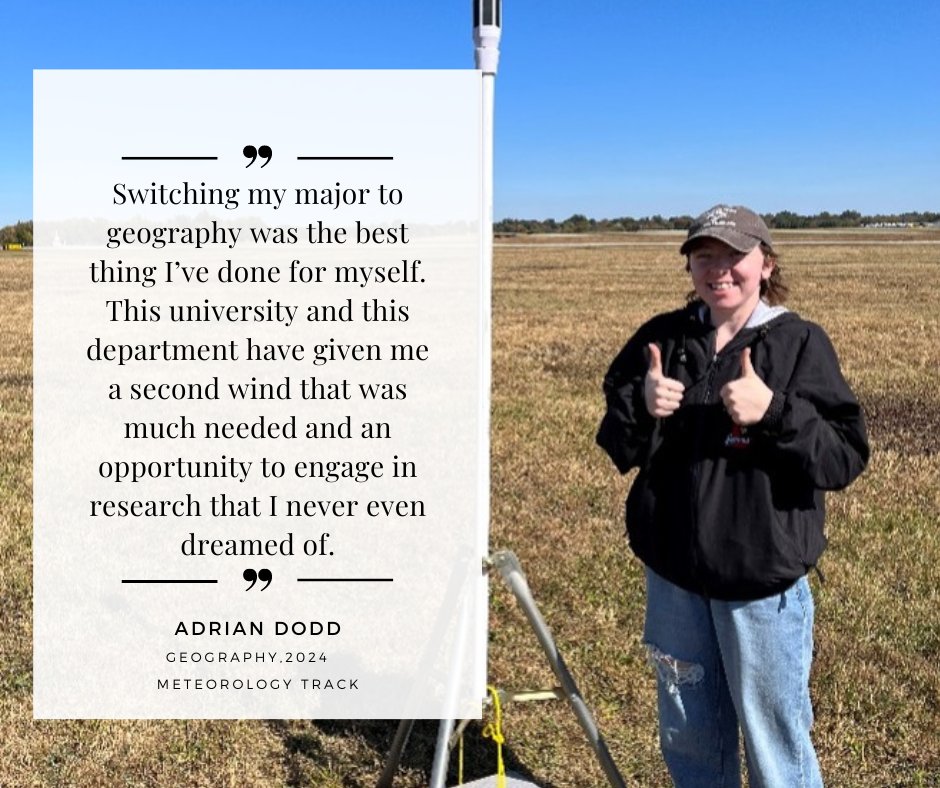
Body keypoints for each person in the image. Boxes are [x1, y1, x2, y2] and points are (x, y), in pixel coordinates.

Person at [596, 204, 869, 787]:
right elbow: (619, 445)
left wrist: (773, 411)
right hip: (674, 581)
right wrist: (641, 408)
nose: (719, 269)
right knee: (690, 735)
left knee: (775, 741)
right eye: (704, 256)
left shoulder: (798, 343)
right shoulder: (661, 340)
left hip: (758, 586)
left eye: (734, 256)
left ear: (765, 264)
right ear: (690, 267)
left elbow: (844, 456)